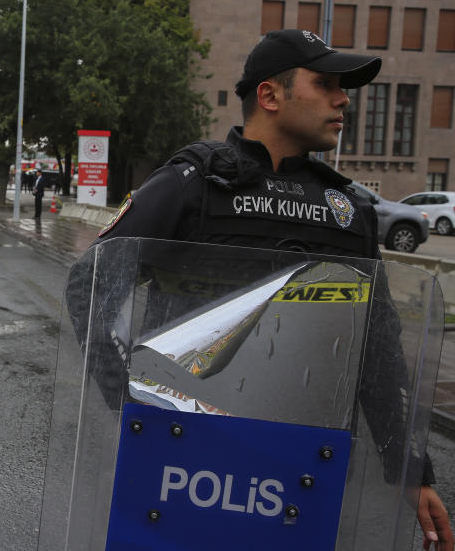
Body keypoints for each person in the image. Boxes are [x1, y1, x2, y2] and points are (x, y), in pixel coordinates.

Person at [92, 29, 452, 550]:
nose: (343, 98)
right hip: (183, 462)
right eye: (325, 83)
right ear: (270, 95)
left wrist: (412, 470)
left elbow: (377, 351)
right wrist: (129, 399)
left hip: (298, 469)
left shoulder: (346, 212)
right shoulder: (193, 184)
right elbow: (94, 283)